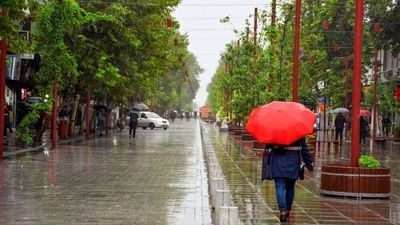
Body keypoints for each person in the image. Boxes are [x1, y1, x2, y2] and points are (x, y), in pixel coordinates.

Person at [266, 138, 313, 222]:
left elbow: (268, 145)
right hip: (293, 161)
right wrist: (309, 163)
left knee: (279, 186)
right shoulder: (298, 129)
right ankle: (287, 210)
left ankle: (283, 210)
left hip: (278, 161)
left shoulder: (275, 128)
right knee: (290, 187)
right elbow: (304, 147)